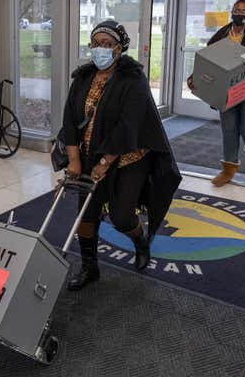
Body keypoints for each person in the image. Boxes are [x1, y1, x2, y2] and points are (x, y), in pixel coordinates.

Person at [62, 20, 182, 291]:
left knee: (121, 216)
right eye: (95, 44)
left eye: (107, 44)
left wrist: (105, 162)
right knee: (86, 215)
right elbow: (69, 119)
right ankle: (89, 267)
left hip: (129, 157)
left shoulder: (133, 79)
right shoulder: (83, 77)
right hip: (89, 156)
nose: (100, 49)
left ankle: (140, 240)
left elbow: (128, 126)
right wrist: (74, 159)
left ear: (120, 48)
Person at [187, 0, 245, 187]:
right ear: (232, 11)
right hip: (228, 89)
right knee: (229, 130)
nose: (240, 12)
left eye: (244, 10)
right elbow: (209, 59)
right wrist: (195, 77)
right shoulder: (223, 33)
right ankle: (228, 170)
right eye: (237, 9)